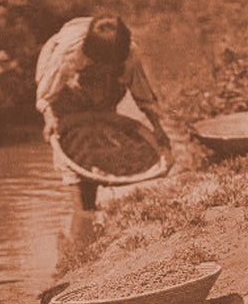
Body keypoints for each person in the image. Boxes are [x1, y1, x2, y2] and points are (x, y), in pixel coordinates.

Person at [35, 15, 170, 211]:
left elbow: (144, 96)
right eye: (101, 67)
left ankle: (91, 191)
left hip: (100, 81)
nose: (105, 71)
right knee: (75, 146)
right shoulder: (68, 54)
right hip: (65, 84)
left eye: (110, 68)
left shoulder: (128, 56)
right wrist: (49, 119)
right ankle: (84, 207)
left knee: (98, 134)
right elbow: (46, 96)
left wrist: (158, 128)